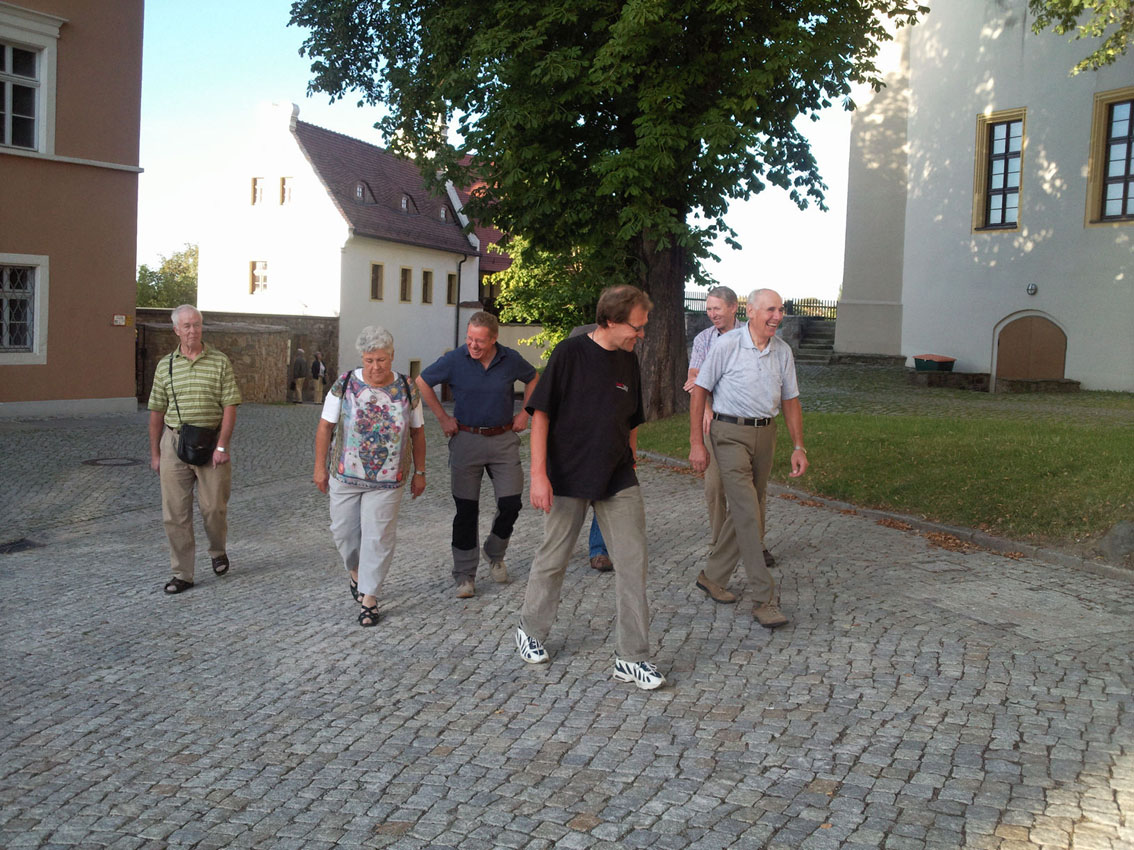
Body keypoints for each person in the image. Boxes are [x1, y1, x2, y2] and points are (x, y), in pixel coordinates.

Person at [516, 285, 666, 690]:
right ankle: (530, 629)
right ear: (611, 321)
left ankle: (631, 657)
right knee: (555, 556)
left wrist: (630, 457)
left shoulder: (629, 360)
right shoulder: (569, 354)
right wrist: (539, 475)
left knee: (632, 563)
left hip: (617, 476)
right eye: (636, 327)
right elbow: (540, 415)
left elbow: (631, 418)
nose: (641, 334)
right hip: (567, 474)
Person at [688, 288, 808, 629]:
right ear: (751, 312)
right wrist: (696, 442)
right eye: (770, 310)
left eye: (780, 310)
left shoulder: (782, 351)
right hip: (728, 433)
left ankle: (712, 576)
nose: (777, 316)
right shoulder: (726, 345)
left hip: (765, 434)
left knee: (747, 508)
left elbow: (791, 400)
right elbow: (700, 391)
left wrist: (798, 446)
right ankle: (763, 598)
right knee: (747, 511)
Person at [417, 312, 539, 598]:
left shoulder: (510, 359)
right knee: (466, 510)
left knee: (511, 503)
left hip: (503, 440)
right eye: (469, 338)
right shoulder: (455, 359)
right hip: (466, 440)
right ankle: (464, 575)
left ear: (494, 339)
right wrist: (443, 418)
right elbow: (422, 382)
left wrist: (525, 413)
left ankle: (494, 551)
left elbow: (534, 378)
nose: (473, 345)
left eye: (480, 341)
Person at [313, 326, 426, 627]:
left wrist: (420, 471)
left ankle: (370, 599)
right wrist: (319, 467)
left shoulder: (406, 387)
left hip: (388, 480)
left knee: (378, 537)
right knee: (344, 534)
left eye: (381, 360)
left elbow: (417, 432)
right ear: (362, 358)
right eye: (369, 360)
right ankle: (356, 574)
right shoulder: (345, 383)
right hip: (345, 476)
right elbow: (325, 427)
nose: (375, 367)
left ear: (392, 356)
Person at [147, 305, 241, 594]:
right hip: (174, 442)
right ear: (176, 330)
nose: (192, 330)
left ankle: (217, 550)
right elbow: (156, 411)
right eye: (186, 326)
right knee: (175, 513)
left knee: (214, 508)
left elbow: (230, 404)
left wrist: (222, 445)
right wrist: (156, 454)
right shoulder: (165, 365)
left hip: (211, 443)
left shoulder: (219, 361)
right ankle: (182, 573)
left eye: (197, 325)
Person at [682, 286, 776, 566]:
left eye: (717, 308)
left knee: (754, 488)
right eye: (709, 309)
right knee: (715, 486)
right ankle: (719, 544)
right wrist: (706, 409)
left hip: (749, 420)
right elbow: (695, 379)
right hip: (715, 417)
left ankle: (756, 544)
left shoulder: (753, 335)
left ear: (734, 307)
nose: (712, 314)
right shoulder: (704, 339)